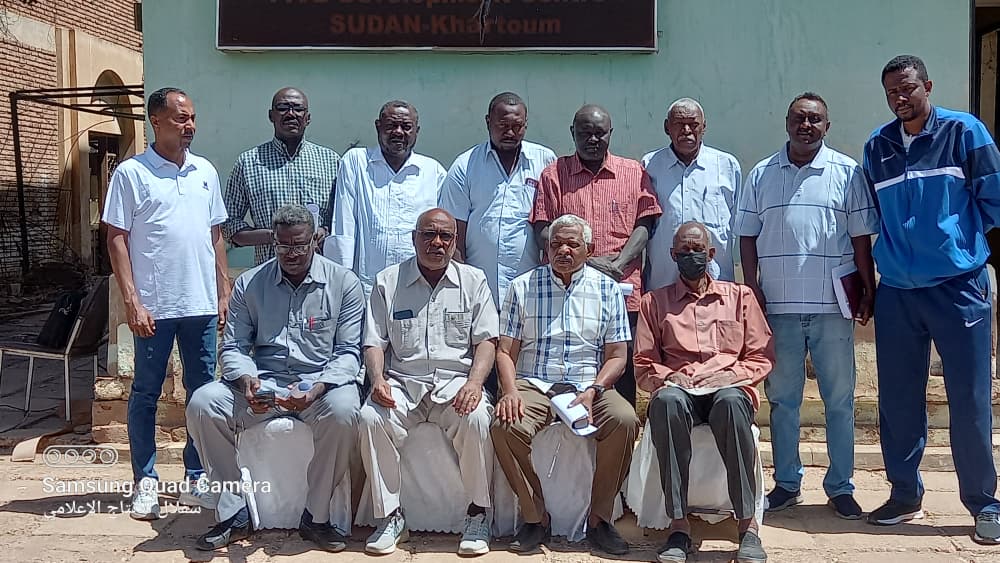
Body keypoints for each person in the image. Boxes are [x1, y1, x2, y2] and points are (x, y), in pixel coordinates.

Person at [863, 54, 1000, 542]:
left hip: (958, 287)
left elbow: (993, 200)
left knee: (969, 397)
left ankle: (984, 503)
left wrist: (961, 249)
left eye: (908, 88)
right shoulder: (877, 146)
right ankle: (904, 493)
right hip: (898, 292)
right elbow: (874, 213)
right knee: (898, 398)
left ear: (928, 86)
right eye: (891, 92)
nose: (900, 98)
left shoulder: (964, 132)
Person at [186, 204, 365, 552]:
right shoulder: (250, 283)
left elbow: (348, 352)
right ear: (273, 242)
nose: (291, 254)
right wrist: (247, 381)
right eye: (283, 246)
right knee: (203, 403)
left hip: (318, 385)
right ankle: (233, 512)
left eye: (299, 245)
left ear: (315, 240)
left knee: (345, 411)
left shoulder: (344, 283)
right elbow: (233, 346)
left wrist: (317, 389)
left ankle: (316, 516)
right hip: (264, 384)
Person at [735, 92, 878, 520]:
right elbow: (746, 235)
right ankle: (786, 483)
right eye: (799, 118)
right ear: (787, 122)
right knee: (783, 400)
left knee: (840, 400)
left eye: (815, 119)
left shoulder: (847, 172)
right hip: (778, 308)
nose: (806, 125)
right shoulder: (762, 173)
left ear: (827, 127)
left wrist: (868, 290)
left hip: (832, 307)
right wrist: (753, 289)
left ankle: (841, 486)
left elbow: (861, 239)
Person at [102, 87, 230, 520]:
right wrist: (132, 301)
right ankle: (146, 482)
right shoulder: (132, 173)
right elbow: (116, 238)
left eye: (192, 117)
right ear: (155, 121)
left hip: (200, 305)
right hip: (154, 308)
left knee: (203, 393)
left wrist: (223, 290)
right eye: (180, 118)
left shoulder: (205, 171)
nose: (189, 125)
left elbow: (215, 234)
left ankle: (197, 477)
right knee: (145, 392)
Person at [491, 214, 639, 556]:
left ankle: (600, 520)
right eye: (556, 243)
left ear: (589, 249)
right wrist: (510, 392)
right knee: (503, 425)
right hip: (535, 383)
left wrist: (595, 389)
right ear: (546, 248)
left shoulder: (606, 290)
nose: (564, 250)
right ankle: (535, 517)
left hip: (589, 384)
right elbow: (505, 351)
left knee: (624, 420)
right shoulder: (523, 286)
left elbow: (618, 356)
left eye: (573, 244)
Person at [358, 208, 499, 556]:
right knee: (371, 416)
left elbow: (486, 341)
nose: (437, 242)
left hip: (455, 385)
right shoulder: (388, 281)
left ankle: (478, 515)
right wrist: (377, 379)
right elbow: (374, 341)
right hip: (402, 385)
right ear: (414, 239)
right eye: (428, 234)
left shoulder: (474, 281)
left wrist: (475, 383)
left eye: (445, 236)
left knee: (477, 418)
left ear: (455, 241)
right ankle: (390, 517)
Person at [636, 221, 773, 563]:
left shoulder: (740, 297)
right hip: (681, 390)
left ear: (711, 254)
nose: (691, 256)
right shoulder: (654, 303)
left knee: (731, 403)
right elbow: (644, 363)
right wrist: (671, 377)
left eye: (698, 250)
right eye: (684, 251)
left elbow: (760, 356)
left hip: (727, 388)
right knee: (666, 402)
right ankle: (678, 526)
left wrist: (729, 376)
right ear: (673, 255)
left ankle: (747, 526)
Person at [529, 104, 662, 405]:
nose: (592, 139)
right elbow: (543, 230)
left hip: (622, 288)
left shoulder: (633, 172)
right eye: (585, 133)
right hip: (567, 293)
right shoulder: (554, 175)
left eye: (599, 133)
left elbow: (644, 224)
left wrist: (619, 263)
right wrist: (586, 263)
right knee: (571, 364)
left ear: (610, 134)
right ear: (572, 133)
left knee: (621, 371)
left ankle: (619, 431)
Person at [438, 91, 557, 307]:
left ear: (526, 125)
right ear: (488, 122)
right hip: (479, 290)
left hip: (532, 289)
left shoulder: (545, 161)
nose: (510, 132)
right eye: (502, 125)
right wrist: (463, 287)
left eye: (517, 126)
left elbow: (555, 223)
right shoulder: (465, 165)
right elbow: (454, 234)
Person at [325, 100, 446, 297]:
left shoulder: (433, 172)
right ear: (378, 126)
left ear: (417, 131)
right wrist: (341, 284)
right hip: (366, 286)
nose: (398, 132)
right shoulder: (357, 162)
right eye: (391, 125)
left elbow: (441, 233)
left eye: (406, 127)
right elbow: (344, 225)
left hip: (418, 285)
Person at [223, 87, 340, 265]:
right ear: (271, 116)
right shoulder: (248, 162)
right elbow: (228, 224)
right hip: (269, 272)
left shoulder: (331, 161)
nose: (291, 114)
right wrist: (274, 236)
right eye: (283, 108)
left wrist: (325, 231)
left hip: (320, 271)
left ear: (307, 118)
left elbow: (344, 221)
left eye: (298, 109)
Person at [642, 97, 741, 290]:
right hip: (664, 284)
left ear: (704, 127)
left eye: (693, 124)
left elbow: (736, 225)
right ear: (667, 127)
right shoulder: (650, 165)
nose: (686, 130)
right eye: (679, 124)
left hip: (717, 284)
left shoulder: (727, 166)